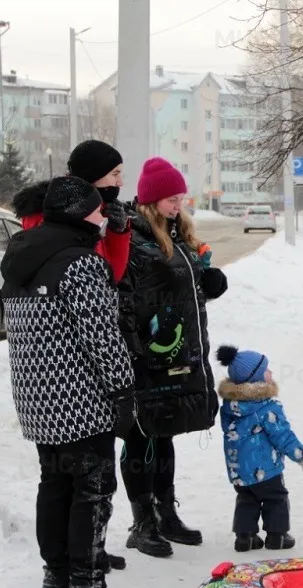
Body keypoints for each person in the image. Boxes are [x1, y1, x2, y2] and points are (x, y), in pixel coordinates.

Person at [0, 176, 141, 588]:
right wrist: (123, 392)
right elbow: (103, 337)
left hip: (38, 400)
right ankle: (87, 586)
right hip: (81, 400)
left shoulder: (22, 256)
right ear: (81, 213)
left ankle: (55, 580)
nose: (105, 216)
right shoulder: (79, 264)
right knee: (93, 492)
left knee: (55, 486)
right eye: (99, 210)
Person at [117, 157, 229, 558]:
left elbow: (181, 289)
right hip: (146, 357)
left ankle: (166, 512)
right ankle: (141, 521)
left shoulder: (178, 235)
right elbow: (127, 300)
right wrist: (136, 351)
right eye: (170, 198)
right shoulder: (133, 239)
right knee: (141, 435)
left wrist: (208, 281)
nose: (177, 203)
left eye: (180, 197)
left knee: (164, 433)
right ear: (150, 200)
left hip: (177, 354)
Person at [214, 345, 303, 552]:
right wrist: (301, 455)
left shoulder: (230, 407)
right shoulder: (266, 407)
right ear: (255, 378)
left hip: (238, 468)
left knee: (246, 499)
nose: (271, 373)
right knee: (276, 498)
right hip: (266, 469)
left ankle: (245, 537)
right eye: (266, 370)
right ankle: (277, 536)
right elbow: (282, 436)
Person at [11, 139, 132, 284]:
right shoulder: (47, 214)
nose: (120, 182)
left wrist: (118, 233)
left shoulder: (98, 212)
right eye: (115, 174)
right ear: (94, 174)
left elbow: (111, 276)